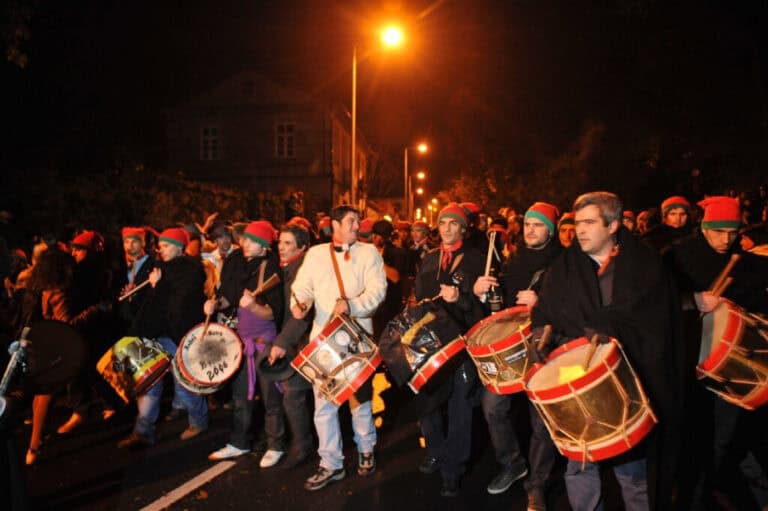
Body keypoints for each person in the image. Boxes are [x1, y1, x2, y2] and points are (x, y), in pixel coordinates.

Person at [530, 191, 682, 511]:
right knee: (580, 462)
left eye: (589, 223)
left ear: (612, 225)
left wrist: (611, 326)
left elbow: (657, 321)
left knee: (632, 467)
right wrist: (538, 335)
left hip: (630, 374)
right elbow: (546, 312)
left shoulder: (645, 264)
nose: (580, 230)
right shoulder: (565, 266)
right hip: (579, 375)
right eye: (577, 223)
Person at [664, 196, 768, 509]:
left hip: (733, 369)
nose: (726, 239)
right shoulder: (677, 257)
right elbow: (656, 299)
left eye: (732, 232)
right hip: (690, 362)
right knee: (693, 438)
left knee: (726, 438)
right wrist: (691, 300)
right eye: (719, 231)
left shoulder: (748, 263)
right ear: (705, 228)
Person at [291, 205, 386, 491]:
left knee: (360, 400)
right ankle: (330, 463)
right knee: (323, 405)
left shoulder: (369, 253)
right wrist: (300, 302)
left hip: (356, 337)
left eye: (358, 221)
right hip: (323, 342)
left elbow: (378, 290)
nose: (357, 225)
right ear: (334, 224)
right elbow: (302, 286)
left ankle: (366, 447)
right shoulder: (316, 254)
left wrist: (353, 305)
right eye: (351, 221)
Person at [473, 202, 563, 498]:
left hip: (544, 343)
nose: (530, 230)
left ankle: (536, 484)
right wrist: (486, 293)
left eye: (538, 225)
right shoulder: (514, 260)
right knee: (492, 406)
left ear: (549, 230)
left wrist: (542, 303)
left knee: (540, 418)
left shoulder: (563, 262)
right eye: (527, 225)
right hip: (511, 346)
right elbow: (501, 306)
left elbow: (575, 307)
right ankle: (512, 463)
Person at [413, 203, 485, 498]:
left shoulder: (477, 260)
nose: (446, 228)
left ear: (463, 229)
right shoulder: (429, 259)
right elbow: (418, 296)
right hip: (431, 342)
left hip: (462, 341)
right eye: (442, 223)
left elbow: (483, 311)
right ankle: (435, 450)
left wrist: (460, 299)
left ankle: (452, 469)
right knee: (426, 401)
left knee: (459, 408)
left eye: (453, 224)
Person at [118, 227, 208, 448]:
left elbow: (179, 306)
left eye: (167, 245)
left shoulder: (191, 270)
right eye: (161, 245)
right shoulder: (160, 268)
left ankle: (199, 421)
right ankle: (143, 431)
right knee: (150, 384)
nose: (162, 249)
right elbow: (152, 306)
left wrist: (159, 286)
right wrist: (134, 296)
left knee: (185, 385)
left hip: (179, 335)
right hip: (157, 334)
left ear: (179, 247)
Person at [206, 221, 284, 464]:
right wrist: (215, 304)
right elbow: (229, 299)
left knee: (272, 398)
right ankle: (239, 442)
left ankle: (276, 445)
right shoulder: (238, 262)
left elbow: (274, 313)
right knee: (241, 397)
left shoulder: (271, 267)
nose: (244, 243)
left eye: (251, 240)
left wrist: (254, 306)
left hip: (265, 342)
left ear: (263, 246)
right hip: (243, 341)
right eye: (245, 238)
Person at [258, 222, 315, 468]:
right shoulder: (285, 267)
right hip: (293, 341)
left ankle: (303, 447)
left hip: (302, 343)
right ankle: (301, 442)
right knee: (295, 396)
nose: (280, 247)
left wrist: (282, 341)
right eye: (279, 242)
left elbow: (301, 314)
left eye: (287, 243)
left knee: (294, 396)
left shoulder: (301, 271)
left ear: (302, 246)